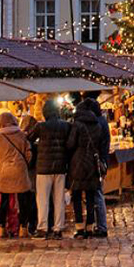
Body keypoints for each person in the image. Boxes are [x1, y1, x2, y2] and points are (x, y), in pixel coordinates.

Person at [28, 100, 69, 238]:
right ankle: (58, 229)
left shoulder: (41, 126)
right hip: (60, 167)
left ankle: (42, 228)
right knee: (59, 200)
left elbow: (29, 139)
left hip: (43, 168)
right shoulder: (65, 126)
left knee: (43, 200)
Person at [0, 111, 32, 237]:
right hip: (20, 170)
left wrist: (0, 167)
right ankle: (23, 228)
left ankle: (2, 228)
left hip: (5, 171)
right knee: (23, 200)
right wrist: (24, 165)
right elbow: (29, 153)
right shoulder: (21, 135)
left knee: (4, 201)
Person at [69, 99, 106, 238]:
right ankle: (90, 226)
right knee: (90, 196)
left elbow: (71, 144)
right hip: (92, 162)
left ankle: (79, 228)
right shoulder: (97, 125)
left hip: (78, 163)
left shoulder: (77, 125)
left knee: (77, 196)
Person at [89, 97, 111, 238]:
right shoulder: (103, 121)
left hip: (98, 162)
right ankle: (99, 225)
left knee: (97, 193)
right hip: (103, 160)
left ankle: (102, 226)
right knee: (97, 192)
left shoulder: (98, 123)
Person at [18, 113, 39, 235]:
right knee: (31, 200)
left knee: (22, 201)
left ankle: (23, 227)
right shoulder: (32, 142)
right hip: (31, 174)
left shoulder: (18, 138)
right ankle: (31, 225)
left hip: (21, 173)